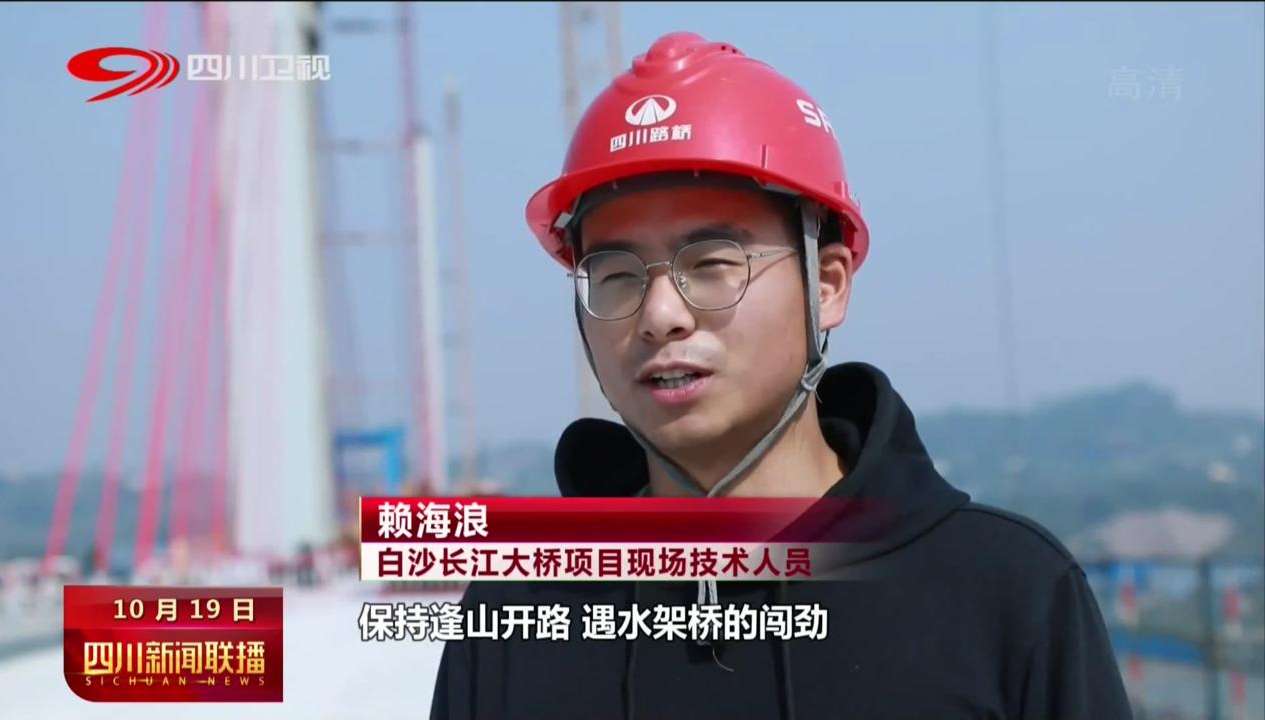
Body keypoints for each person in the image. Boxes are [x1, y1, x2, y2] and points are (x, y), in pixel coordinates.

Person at [430, 31, 1132, 720]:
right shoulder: (517, 619)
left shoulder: (1005, 597)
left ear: (828, 285)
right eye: (615, 275)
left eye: (712, 264)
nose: (660, 316)